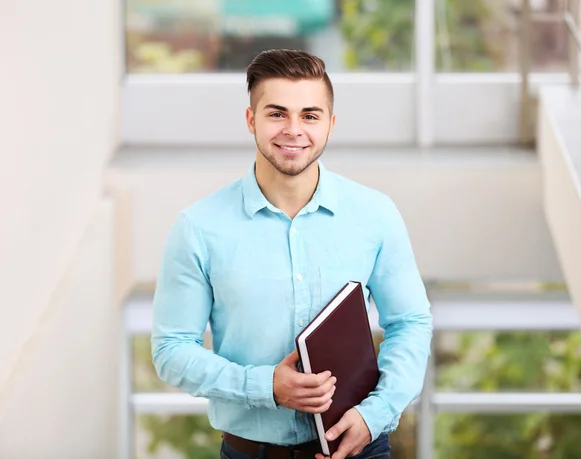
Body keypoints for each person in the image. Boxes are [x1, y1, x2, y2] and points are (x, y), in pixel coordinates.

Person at [151, 49, 433, 459]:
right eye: (277, 113)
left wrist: (377, 413)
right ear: (251, 120)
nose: (293, 130)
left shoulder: (375, 214)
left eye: (310, 115)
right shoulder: (199, 228)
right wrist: (266, 387)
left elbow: (410, 322)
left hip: (361, 449)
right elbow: (171, 349)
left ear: (330, 125)